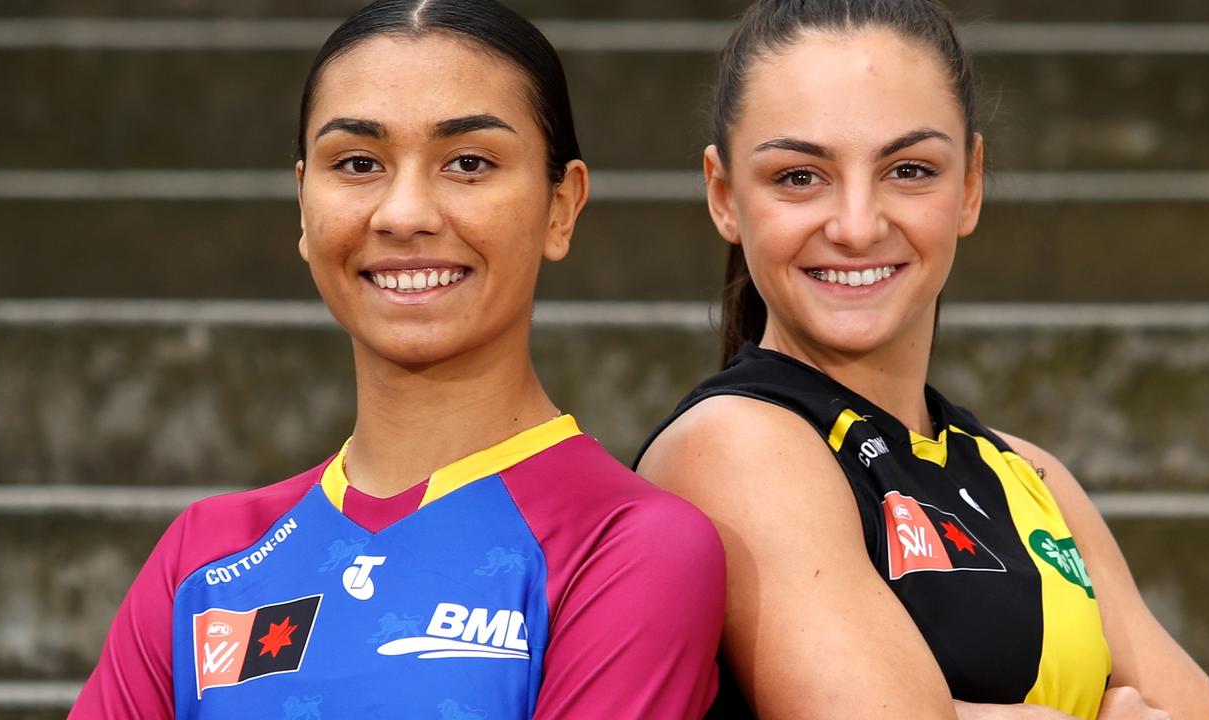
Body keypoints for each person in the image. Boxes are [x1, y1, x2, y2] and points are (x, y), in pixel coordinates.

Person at [71, 1, 725, 717]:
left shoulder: (629, 548)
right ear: (301, 202)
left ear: (561, 206)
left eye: (469, 163)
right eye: (357, 164)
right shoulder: (202, 558)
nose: (403, 213)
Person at [635, 1, 1209, 719]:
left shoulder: (1032, 478)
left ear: (970, 183)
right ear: (724, 196)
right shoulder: (734, 446)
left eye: (908, 169)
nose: (856, 226)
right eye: (798, 176)